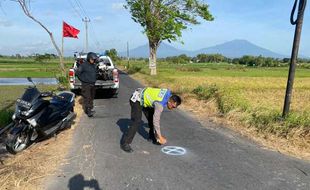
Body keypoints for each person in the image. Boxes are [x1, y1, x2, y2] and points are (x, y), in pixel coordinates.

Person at [121, 87, 182, 153]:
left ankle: (152, 136)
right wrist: (160, 136)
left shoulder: (168, 93)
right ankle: (125, 143)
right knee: (137, 121)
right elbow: (156, 121)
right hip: (136, 99)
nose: (172, 108)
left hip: (145, 100)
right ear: (170, 101)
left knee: (151, 118)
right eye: (173, 106)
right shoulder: (159, 105)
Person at [76, 52, 98, 117]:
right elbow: (77, 73)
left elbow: (95, 73)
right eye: (92, 59)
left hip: (92, 84)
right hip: (86, 85)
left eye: (94, 59)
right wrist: (83, 80)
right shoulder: (83, 65)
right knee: (87, 97)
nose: (93, 60)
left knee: (92, 97)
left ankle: (90, 109)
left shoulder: (93, 65)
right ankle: (88, 111)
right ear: (88, 58)